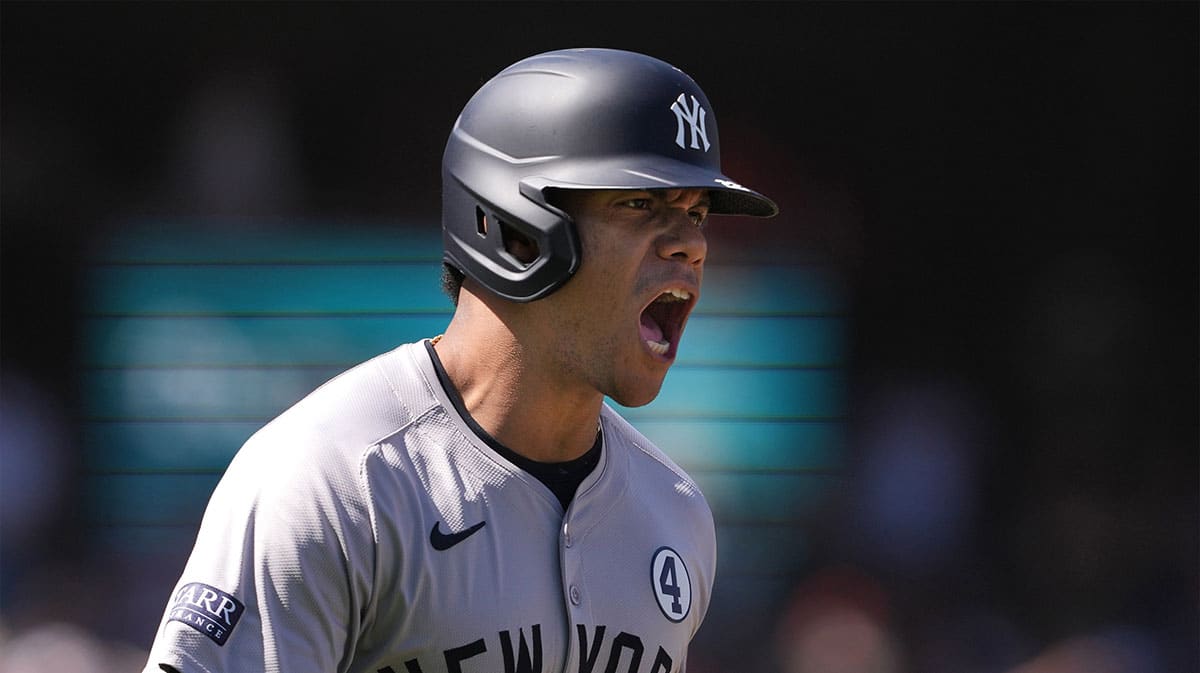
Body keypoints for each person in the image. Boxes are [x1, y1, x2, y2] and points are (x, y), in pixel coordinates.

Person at [142, 47, 777, 673]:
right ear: (516, 227)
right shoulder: (332, 479)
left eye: (696, 213)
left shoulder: (674, 510)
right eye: (640, 205)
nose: (690, 243)